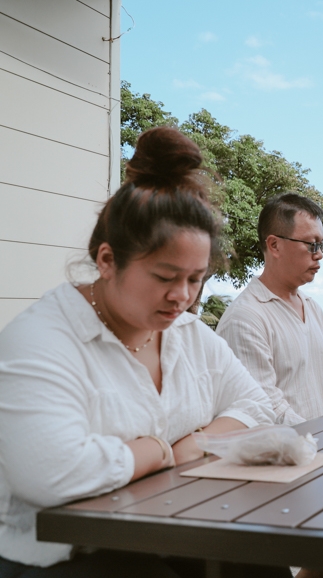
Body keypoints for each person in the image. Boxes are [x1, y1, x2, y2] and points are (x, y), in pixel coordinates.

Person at [0, 127, 279, 576]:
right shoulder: (42, 339)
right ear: (108, 261)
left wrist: (199, 441)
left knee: (261, 564)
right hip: (65, 557)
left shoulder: (188, 334)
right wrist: (158, 452)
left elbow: (256, 405)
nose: (182, 297)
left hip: (168, 534)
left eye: (194, 279)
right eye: (165, 277)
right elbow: (50, 473)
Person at [217, 194, 323, 425]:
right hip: (294, 454)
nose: (319, 254)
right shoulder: (245, 318)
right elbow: (265, 406)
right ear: (274, 245)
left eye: (321, 244)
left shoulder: (313, 308)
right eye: (311, 245)